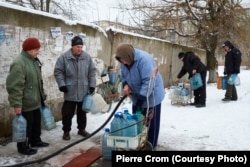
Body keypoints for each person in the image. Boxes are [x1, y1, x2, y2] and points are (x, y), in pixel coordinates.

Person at [115, 43, 165, 150]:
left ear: (129, 56)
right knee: (137, 120)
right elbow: (124, 76)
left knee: (151, 120)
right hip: (137, 94)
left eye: (124, 60)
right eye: (121, 61)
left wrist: (142, 98)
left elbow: (149, 80)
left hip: (151, 94)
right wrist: (125, 85)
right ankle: (139, 142)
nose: (123, 62)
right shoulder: (123, 62)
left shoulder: (144, 60)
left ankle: (151, 144)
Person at [6, 37, 49, 155]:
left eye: (38, 49)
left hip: (35, 100)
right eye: (35, 49)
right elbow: (15, 86)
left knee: (36, 124)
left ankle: (35, 141)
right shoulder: (19, 63)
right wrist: (17, 104)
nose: (37, 52)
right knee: (26, 126)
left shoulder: (34, 61)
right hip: (26, 102)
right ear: (28, 50)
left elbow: (38, 81)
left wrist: (42, 95)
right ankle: (23, 147)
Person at [54, 36, 96, 140]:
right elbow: (58, 72)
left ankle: (81, 129)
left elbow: (92, 72)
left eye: (81, 47)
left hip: (83, 90)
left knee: (82, 113)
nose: (80, 49)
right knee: (67, 113)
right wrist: (62, 84)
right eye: (77, 46)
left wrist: (92, 85)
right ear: (72, 46)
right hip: (70, 90)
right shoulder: (64, 57)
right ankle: (66, 131)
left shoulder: (87, 57)